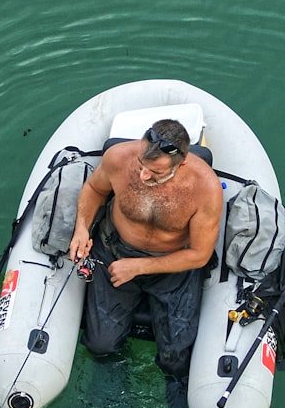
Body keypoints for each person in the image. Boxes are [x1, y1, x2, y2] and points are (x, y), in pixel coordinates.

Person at [68, 118, 223, 384]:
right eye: (141, 165)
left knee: (175, 358)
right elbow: (95, 189)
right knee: (100, 345)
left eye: (155, 172)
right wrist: (81, 228)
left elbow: (200, 254)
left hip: (173, 265)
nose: (143, 176)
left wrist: (138, 267)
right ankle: (114, 386)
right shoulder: (118, 158)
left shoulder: (205, 189)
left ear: (181, 163)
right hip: (115, 250)